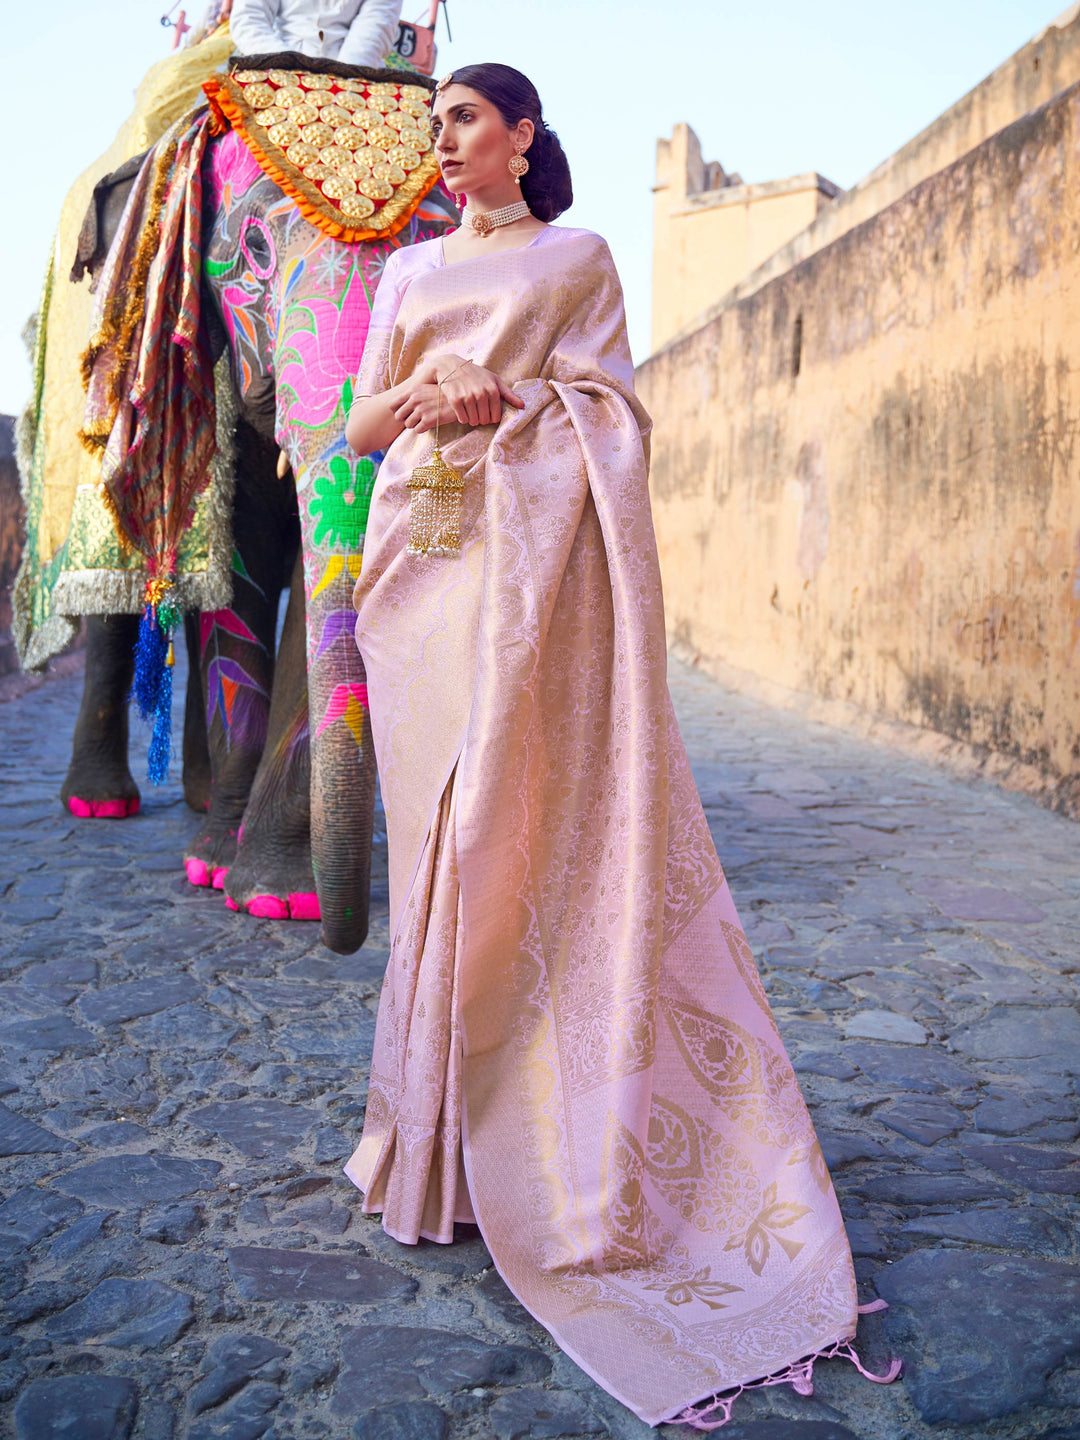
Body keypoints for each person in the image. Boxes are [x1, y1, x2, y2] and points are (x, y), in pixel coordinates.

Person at [343, 63, 898, 1430]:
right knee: (432, 856)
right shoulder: (408, 275)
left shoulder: (578, 258)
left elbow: (616, 419)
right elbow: (355, 427)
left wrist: (512, 400)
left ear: (522, 134)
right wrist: (428, 401)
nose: (446, 141)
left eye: (465, 119)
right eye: (438, 126)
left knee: (503, 838)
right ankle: (434, 1161)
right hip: (426, 571)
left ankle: (544, 1153)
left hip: (532, 579)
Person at [230, 0, 403, 64]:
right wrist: (287, 66)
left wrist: (342, 82)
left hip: (355, 76)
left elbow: (375, 29)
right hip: (276, 63)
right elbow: (249, 18)